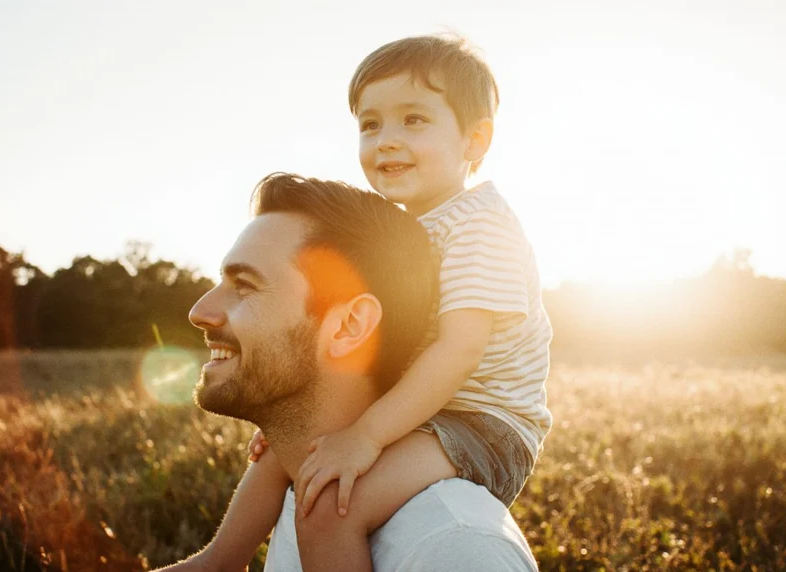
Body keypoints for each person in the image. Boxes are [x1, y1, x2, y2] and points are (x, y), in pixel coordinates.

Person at [160, 172, 537, 571]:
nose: (198, 312)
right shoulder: (306, 477)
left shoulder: (456, 548)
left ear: (349, 326)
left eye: (246, 285)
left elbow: (461, 348)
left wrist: (366, 435)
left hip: (490, 428)